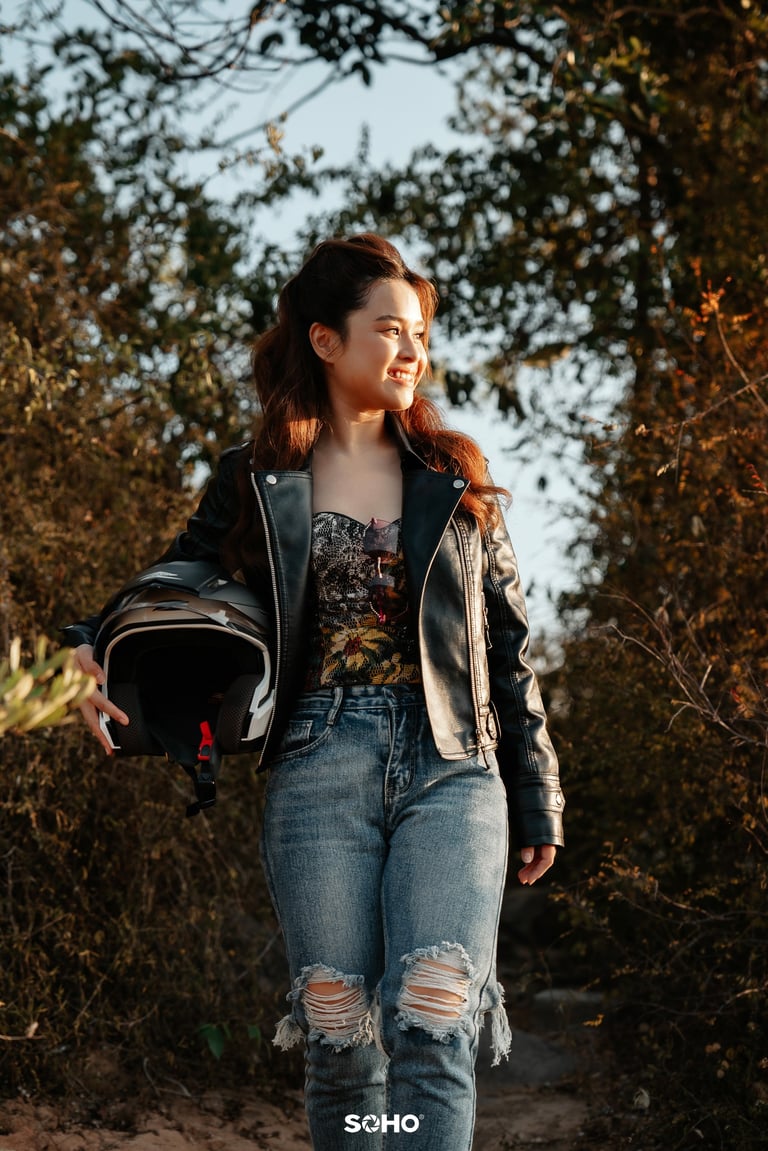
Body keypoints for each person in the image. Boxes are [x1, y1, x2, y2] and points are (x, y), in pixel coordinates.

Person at [67, 233, 564, 1150]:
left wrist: (538, 793)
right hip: (314, 760)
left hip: (453, 763)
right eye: (390, 329)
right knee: (340, 1037)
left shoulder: (456, 478)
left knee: (432, 1017)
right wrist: (83, 647)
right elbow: (168, 581)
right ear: (327, 340)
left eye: (420, 333)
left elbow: (508, 649)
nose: (413, 351)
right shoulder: (257, 477)